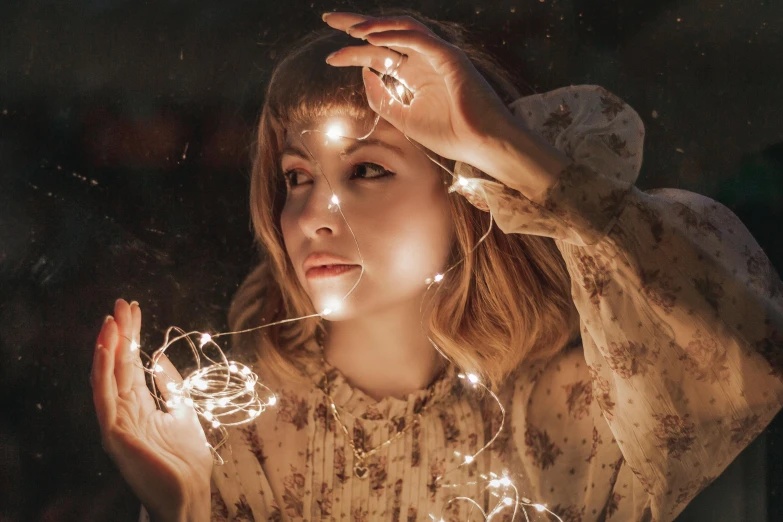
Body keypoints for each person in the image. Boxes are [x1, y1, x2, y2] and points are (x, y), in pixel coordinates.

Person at [90, 7, 783, 522]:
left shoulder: (575, 420)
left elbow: (753, 359)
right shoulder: (242, 451)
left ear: (464, 199)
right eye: (297, 177)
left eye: (366, 169)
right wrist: (184, 511)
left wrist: (504, 147)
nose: (311, 215)